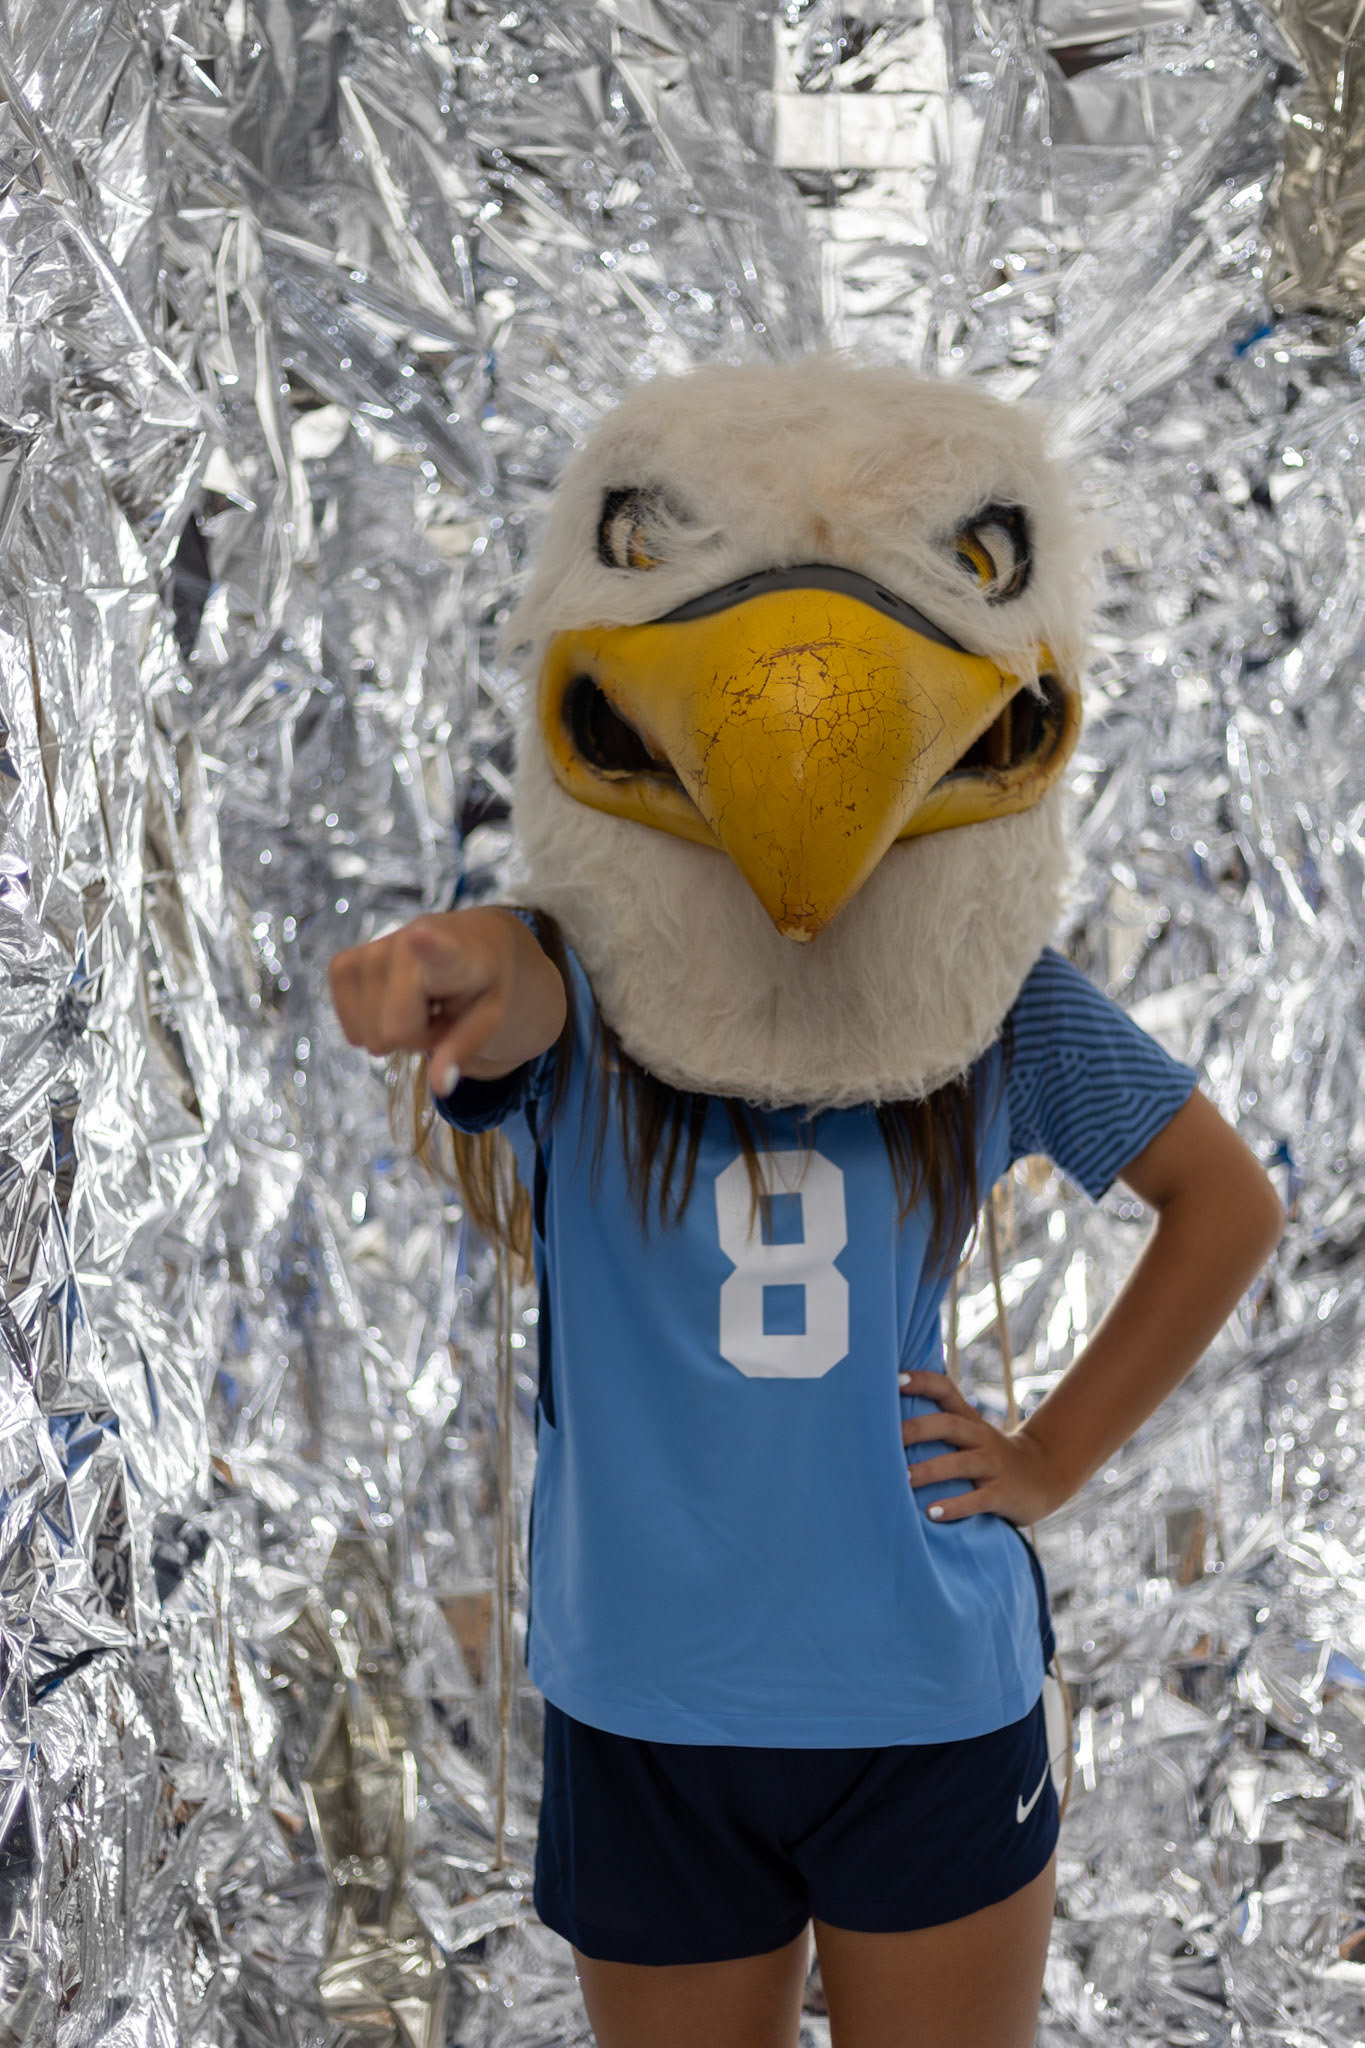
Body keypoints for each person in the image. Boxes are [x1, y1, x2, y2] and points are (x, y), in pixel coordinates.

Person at [328, 358, 1284, 2048]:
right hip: (647, 1709)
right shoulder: (577, 986)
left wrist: (1051, 1454)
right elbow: (480, 967)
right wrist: (422, 966)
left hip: (917, 1694)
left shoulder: (998, 1001)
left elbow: (1222, 1205)